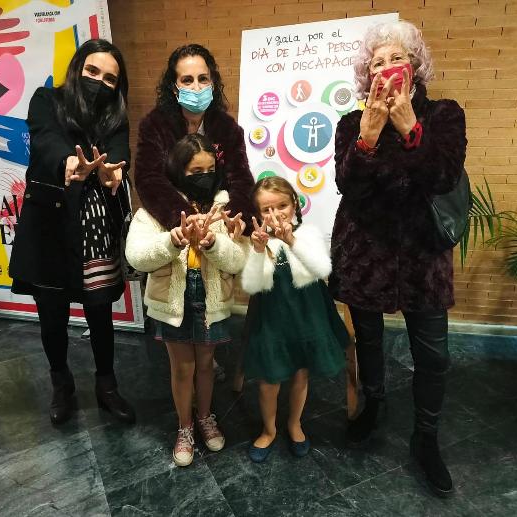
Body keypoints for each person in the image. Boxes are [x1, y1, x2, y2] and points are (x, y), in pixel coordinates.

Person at [329, 20, 467, 496]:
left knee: (433, 355)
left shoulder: (444, 115)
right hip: (364, 253)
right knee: (367, 338)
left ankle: (425, 438)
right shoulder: (351, 124)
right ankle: (373, 403)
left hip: (422, 257)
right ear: (367, 75)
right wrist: (367, 138)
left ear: (415, 66)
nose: (386, 68)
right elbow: (347, 185)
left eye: (396, 58)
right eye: (377, 62)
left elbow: (444, 176)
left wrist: (410, 127)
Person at [9, 39, 135, 426]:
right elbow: (45, 139)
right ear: (78, 67)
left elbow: (119, 152)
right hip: (50, 227)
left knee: (100, 311)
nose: (99, 82)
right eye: (93, 71)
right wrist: (67, 161)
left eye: (110, 78)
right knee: (52, 315)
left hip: (96, 228)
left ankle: (106, 386)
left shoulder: (115, 115)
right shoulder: (47, 99)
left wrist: (114, 170)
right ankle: (61, 384)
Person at [134, 43, 256, 383]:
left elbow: (241, 179)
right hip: (173, 224)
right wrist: (185, 219)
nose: (196, 86)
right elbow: (148, 178)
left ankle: (206, 356)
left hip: (214, 226)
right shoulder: (155, 125)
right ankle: (181, 360)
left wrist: (230, 218)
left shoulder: (227, 128)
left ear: (213, 81)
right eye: (187, 80)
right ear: (174, 86)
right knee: (175, 299)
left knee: (210, 298)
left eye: (203, 78)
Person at [125, 134, 246, 467]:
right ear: (179, 170)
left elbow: (237, 261)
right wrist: (172, 241)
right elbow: (136, 256)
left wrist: (213, 244)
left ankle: (205, 417)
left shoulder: (224, 210)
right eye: (195, 171)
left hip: (211, 301)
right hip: (172, 301)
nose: (204, 177)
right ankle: (185, 427)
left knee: (206, 365)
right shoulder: (155, 208)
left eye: (210, 170)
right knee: (182, 368)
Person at [241, 176, 349, 463]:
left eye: (282, 206)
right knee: (269, 378)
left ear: (294, 205)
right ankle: (268, 429)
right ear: (258, 214)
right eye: (266, 209)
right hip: (272, 317)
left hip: (307, 315)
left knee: (301, 372)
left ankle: (294, 423)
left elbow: (322, 269)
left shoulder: (308, 234)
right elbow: (252, 284)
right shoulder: (258, 242)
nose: (275, 214)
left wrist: (291, 241)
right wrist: (258, 251)